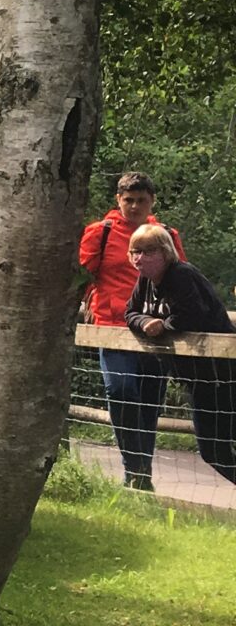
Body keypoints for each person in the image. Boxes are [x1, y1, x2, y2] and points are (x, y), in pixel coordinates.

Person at [79, 172, 188, 489]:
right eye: (129, 200)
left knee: (150, 404)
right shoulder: (100, 233)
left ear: (152, 201)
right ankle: (133, 469)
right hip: (112, 328)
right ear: (118, 200)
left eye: (142, 200)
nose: (135, 205)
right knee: (121, 391)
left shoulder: (165, 235)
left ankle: (142, 478)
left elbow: (180, 279)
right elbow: (81, 276)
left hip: (156, 330)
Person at [123, 224, 236, 486]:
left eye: (148, 251)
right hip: (196, 380)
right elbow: (130, 312)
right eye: (135, 252)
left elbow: (192, 315)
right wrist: (143, 322)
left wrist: (163, 326)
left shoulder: (182, 275)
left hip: (223, 374)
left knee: (217, 443)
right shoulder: (146, 280)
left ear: (165, 252)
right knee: (212, 450)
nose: (140, 258)